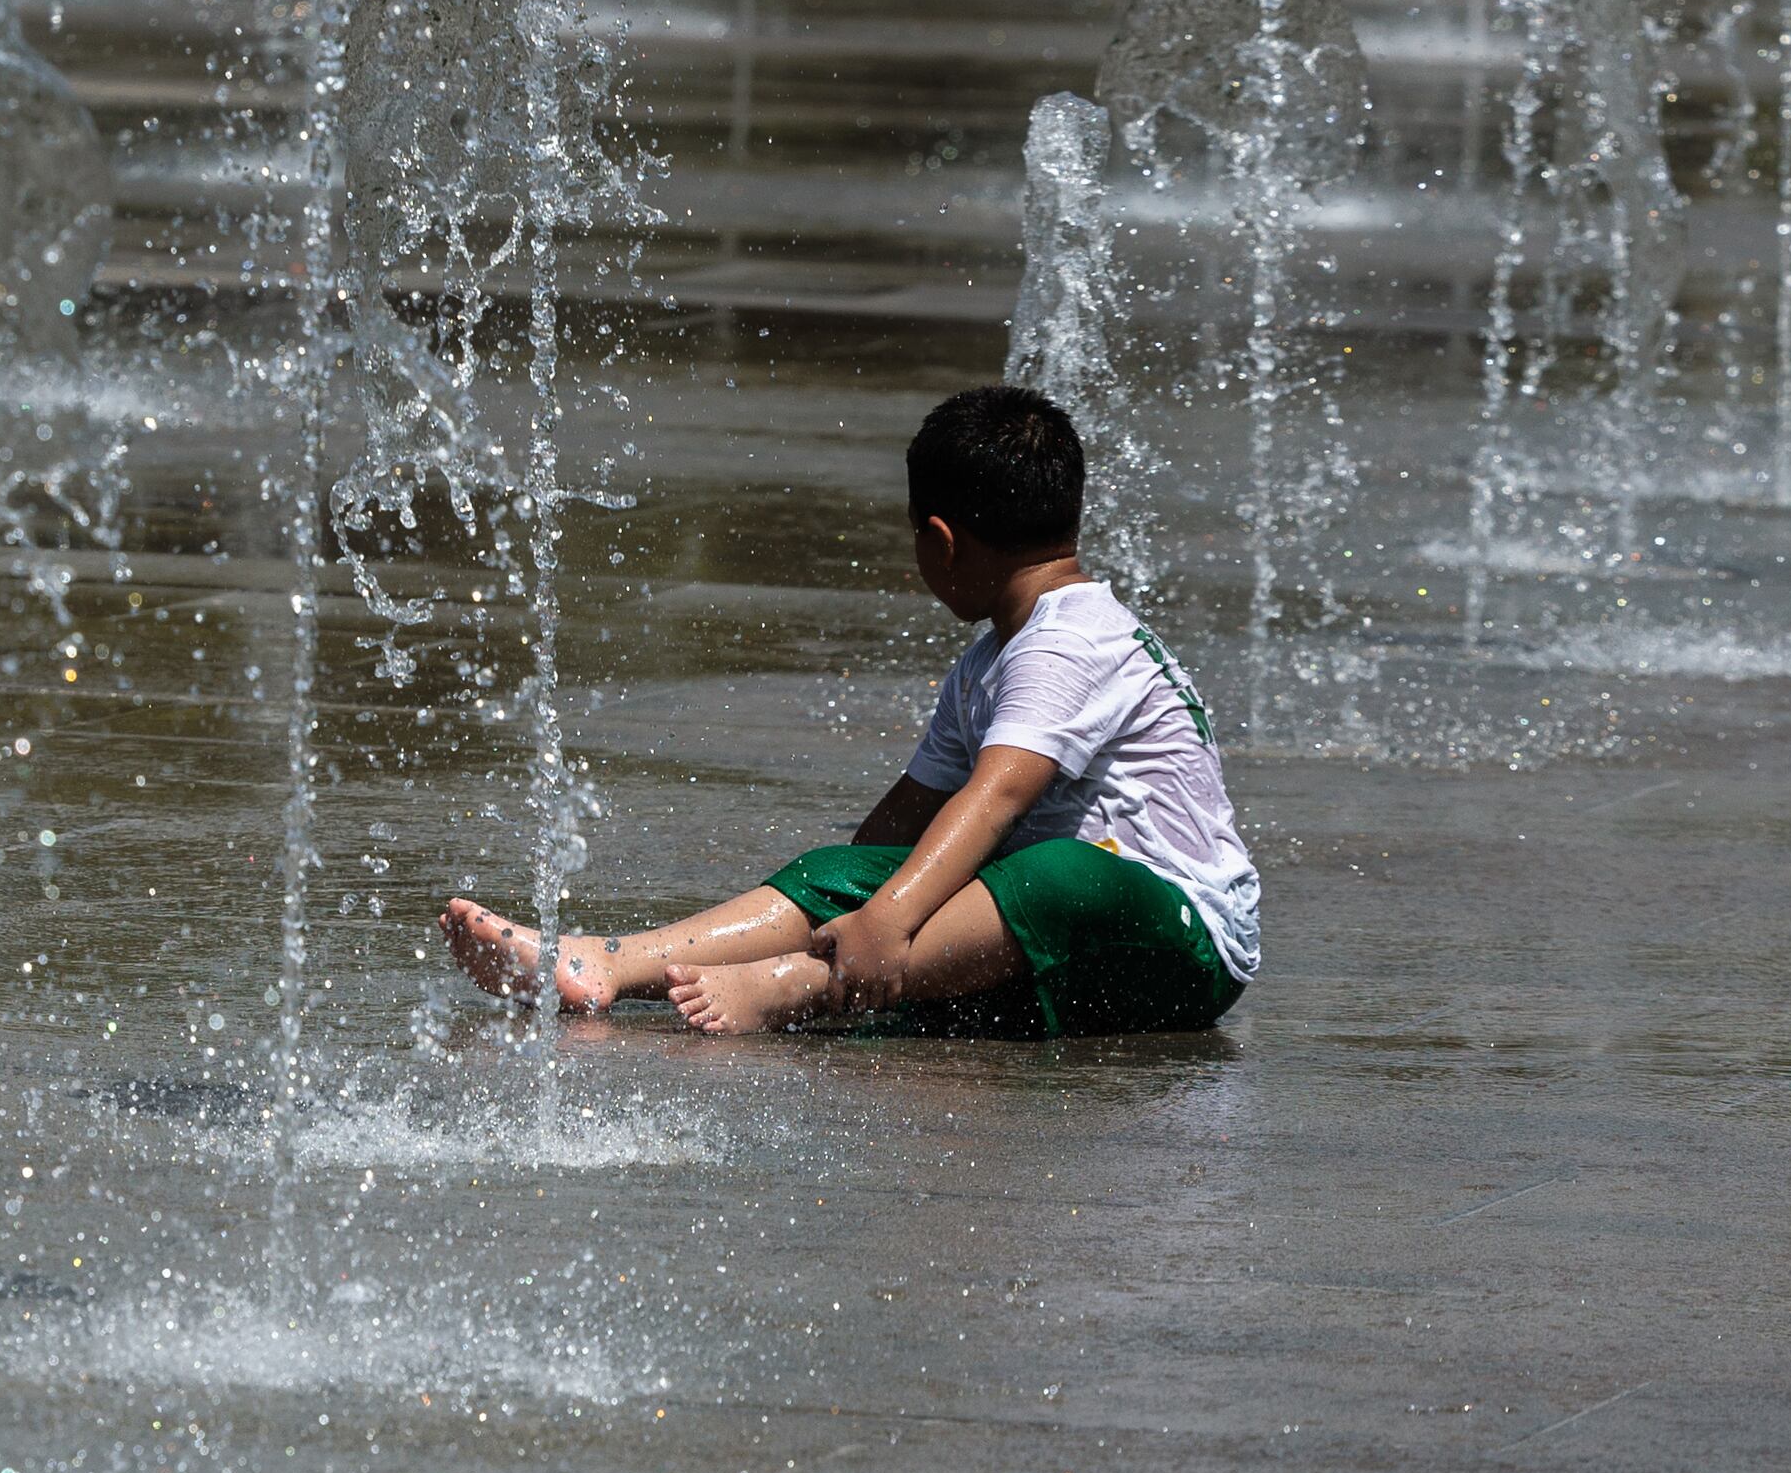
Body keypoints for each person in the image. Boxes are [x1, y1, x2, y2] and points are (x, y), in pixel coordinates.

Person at [437, 382, 1260, 1039]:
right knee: (843, 869)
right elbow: (901, 827)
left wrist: (889, 919)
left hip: (1181, 948)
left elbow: (999, 794)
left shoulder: (1070, 639)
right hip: (1056, 950)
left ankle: (793, 989)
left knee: (1057, 874)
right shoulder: (988, 662)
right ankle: (608, 962)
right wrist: (850, 899)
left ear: (940, 541)